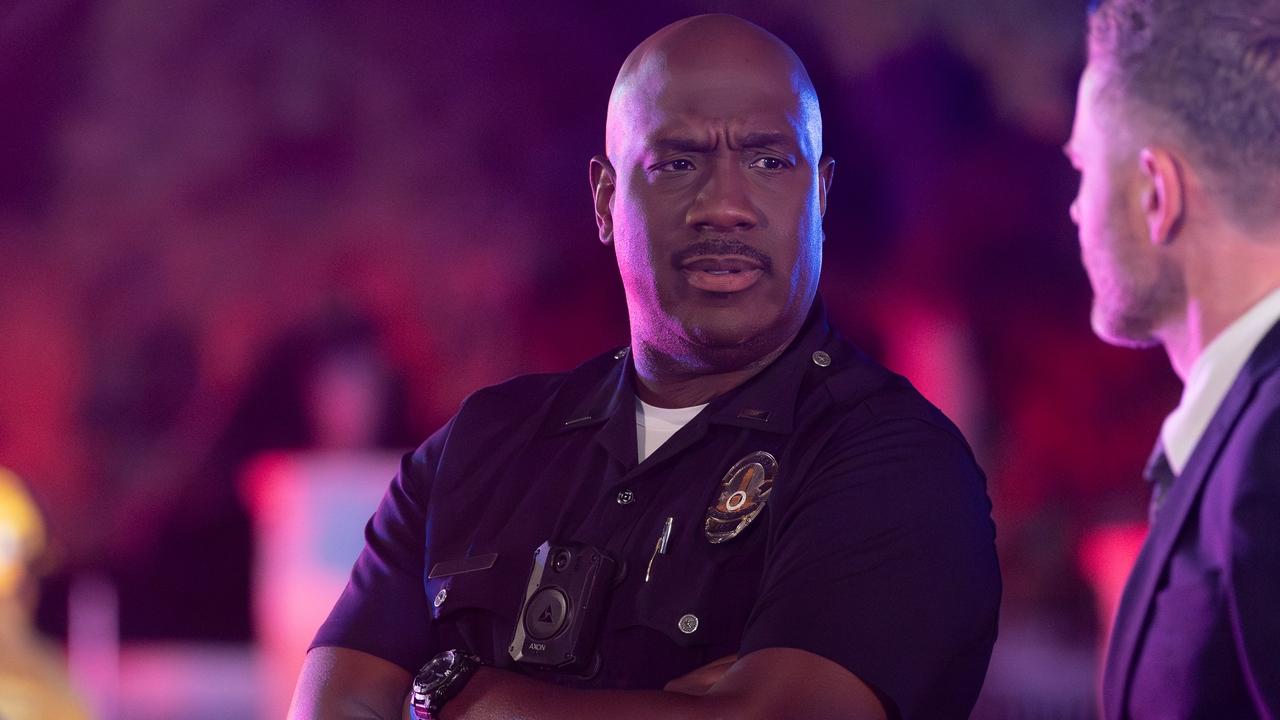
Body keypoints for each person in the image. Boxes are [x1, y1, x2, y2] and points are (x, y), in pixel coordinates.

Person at [291, 14, 1000, 720]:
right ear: (605, 199)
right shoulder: (478, 447)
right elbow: (330, 705)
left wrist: (454, 696)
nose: (725, 206)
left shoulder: (894, 463)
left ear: (820, 195)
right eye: (678, 163)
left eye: (769, 161)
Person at [1064, 1, 1280, 717]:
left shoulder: (1270, 448)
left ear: (1157, 194)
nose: (1075, 210)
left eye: (1084, 169)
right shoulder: (1251, 427)